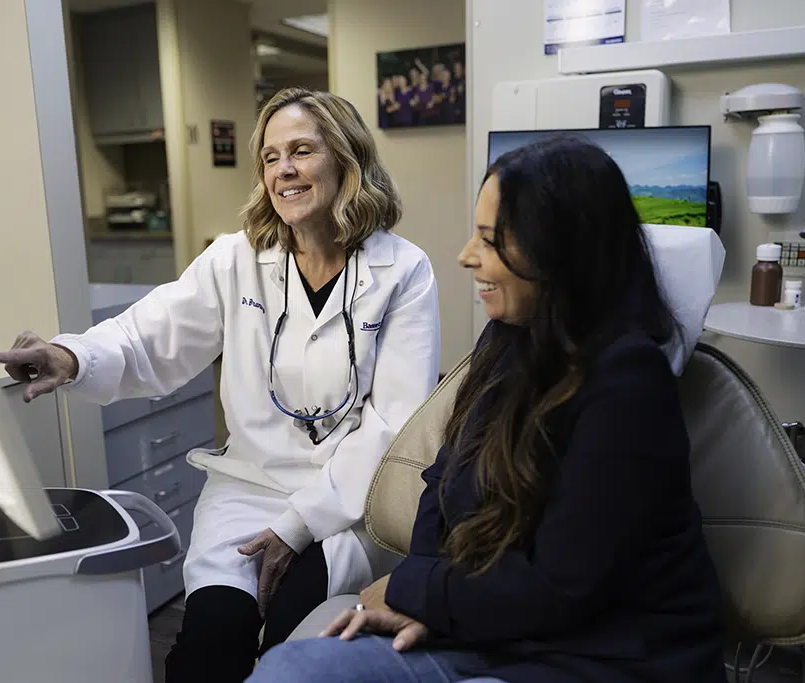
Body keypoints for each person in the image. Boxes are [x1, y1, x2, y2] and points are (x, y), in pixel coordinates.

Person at [0, 88, 441, 683]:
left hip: (346, 502)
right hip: (249, 490)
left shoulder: (402, 270)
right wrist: (70, 356)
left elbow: (394, 425)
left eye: (302, 151)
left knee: (292, 638)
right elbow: (147, 334)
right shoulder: (237, 260)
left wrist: (300, 524)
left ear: (345, 159)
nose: (284, 169)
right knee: (211, 638)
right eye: (271, 156)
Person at [246, 136, 726, 683]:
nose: (466, 256)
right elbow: (442, 477)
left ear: (559, 252)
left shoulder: (628, 382)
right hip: (495, 629)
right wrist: (428, 595)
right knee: (292, 668)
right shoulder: (508, 342)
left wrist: (416, 591)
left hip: (597, 657)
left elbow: (563, 587)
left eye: (491, 240)